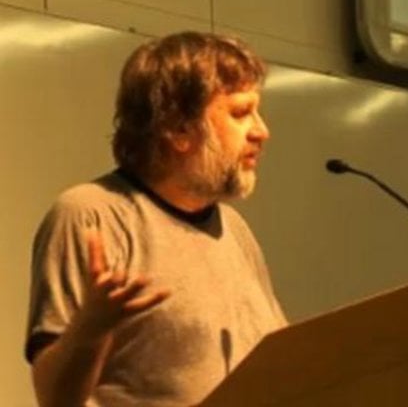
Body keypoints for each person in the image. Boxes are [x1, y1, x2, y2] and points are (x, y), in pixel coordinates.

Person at [24, 31, 287, 407]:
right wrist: (90, 330)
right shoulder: (91, 216)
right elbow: (54, 400)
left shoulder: (234, 229)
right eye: (240, 113)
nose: (262, 131)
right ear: (179, 129)